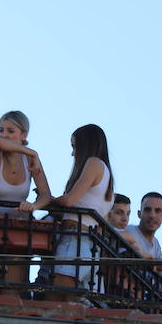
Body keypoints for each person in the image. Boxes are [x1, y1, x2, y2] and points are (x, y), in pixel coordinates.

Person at [0, 111, 53, 289]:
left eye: (10, 131)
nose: (4, 135)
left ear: (24, 135)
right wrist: (34, 153)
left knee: (13, 291)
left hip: (17, 234)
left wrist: (33, 206)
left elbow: (46, 195)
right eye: (1, 130)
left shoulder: (29, 160)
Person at [48, 124, 114, 294]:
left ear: (85, 145)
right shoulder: (107, 174)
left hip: (75, 241)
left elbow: (69, 200)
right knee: (72, 302)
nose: (73, 153)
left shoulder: (94, 163)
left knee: (58, 296)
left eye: (74, 146)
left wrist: (47, 200)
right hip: (91, 246)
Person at [124, 192, 162, 261]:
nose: (152, 215)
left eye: (157, 211)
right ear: (139, 214)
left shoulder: (156, 244)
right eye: (147, 210)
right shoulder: (129, 231)